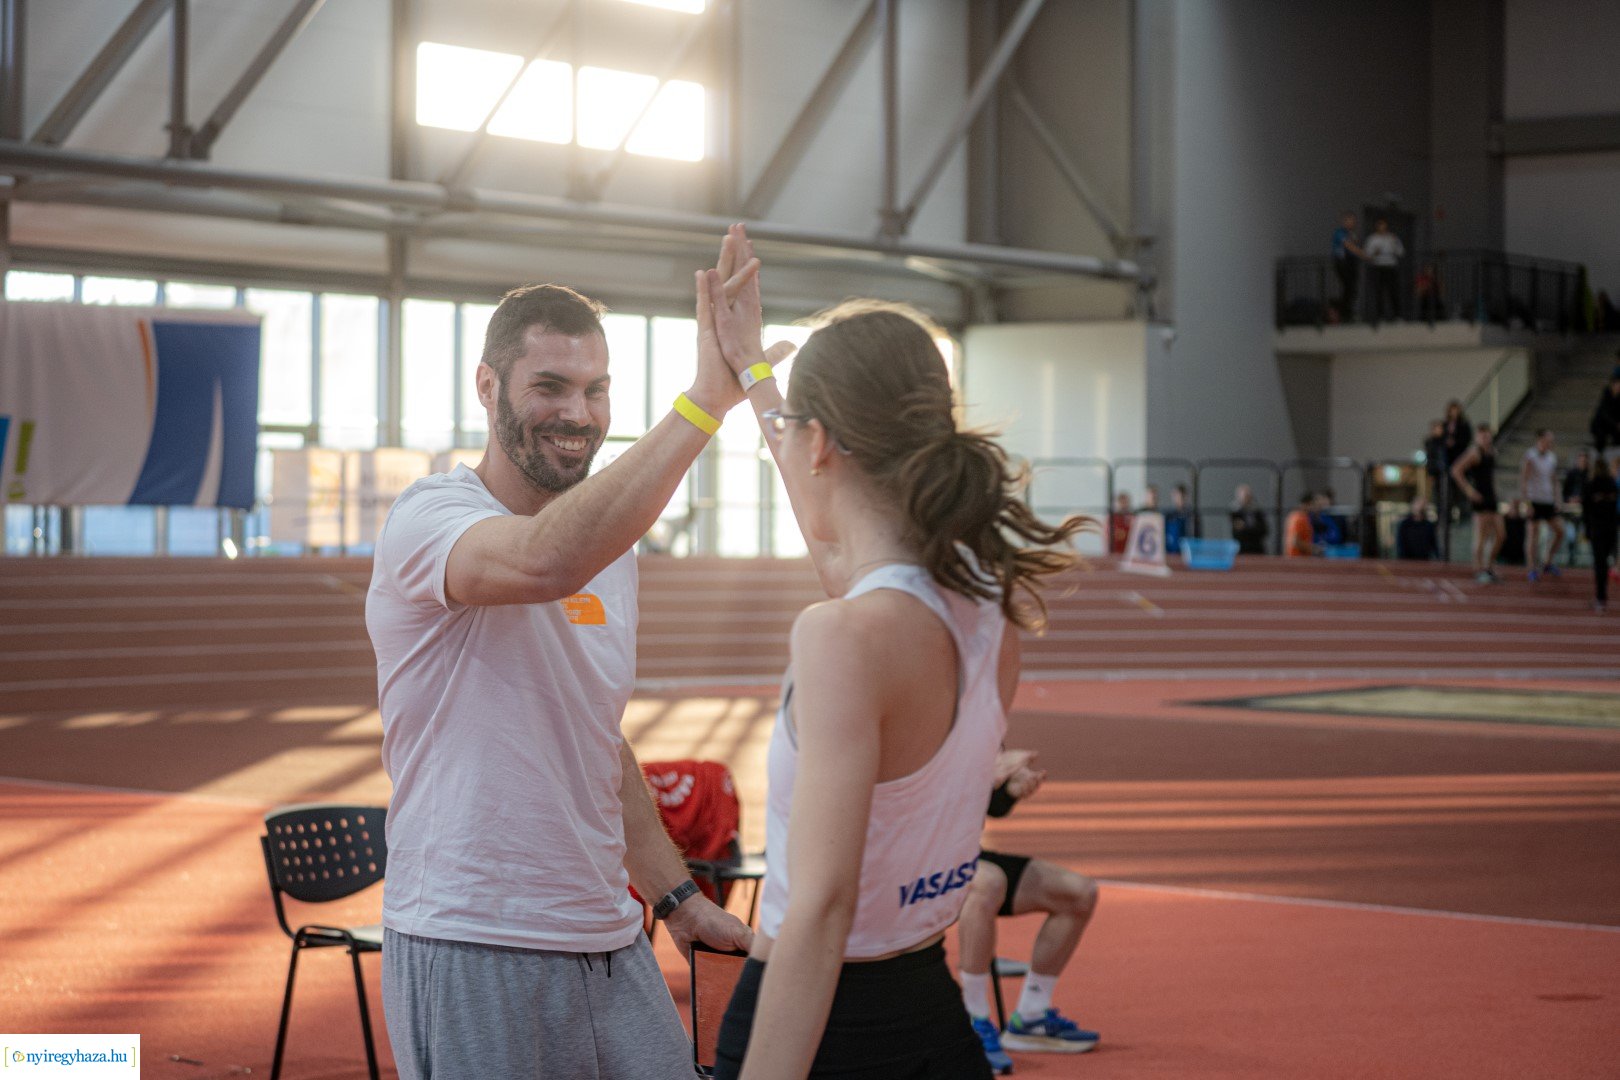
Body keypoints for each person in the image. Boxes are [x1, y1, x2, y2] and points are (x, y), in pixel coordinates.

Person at [703, 225, 1090, 1080]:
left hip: (814, 1024)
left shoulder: (841, 635)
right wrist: (760, 380)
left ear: (821, 443)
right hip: (929, 1016)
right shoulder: (993, 616)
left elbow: (822, 907)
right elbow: (838, 534)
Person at [366, 253, 761, 1080]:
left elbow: (593, 734)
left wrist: (677, 898)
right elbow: (544, 561)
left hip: (606, 933)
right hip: (472, 931)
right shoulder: (431, 516)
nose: (577, 414)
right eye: (549, 386)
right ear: (487, 386)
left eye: (596, 390)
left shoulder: (610, 547)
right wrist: (705, 403)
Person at [960, 750, 1100, 1075]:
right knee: (986, 883)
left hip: (968, 853)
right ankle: (972, 1021)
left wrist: (1008, 790)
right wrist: (986, 780)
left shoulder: (983, 717)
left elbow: (991, 807)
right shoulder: (921, 718)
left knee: (1077, 893)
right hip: (919, 861)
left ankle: (1031, 1017)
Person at [1451, 425, 1503, 583]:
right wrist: (1469, 491)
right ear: (1477, 438)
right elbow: (1455, 470)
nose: (1485, 439)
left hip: (1491, 497)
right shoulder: (1474, 452)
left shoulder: (1492, 452)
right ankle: (1479, 569)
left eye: (1487, 436)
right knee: (1481, 535)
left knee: (1500, 535)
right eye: (1482, 436)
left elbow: (1491, 476)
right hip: (1479, 497)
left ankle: (1489, 566)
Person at [1520, 429, 1563, 581]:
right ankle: (1532, 568)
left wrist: (1558, 499)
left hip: (1548, 500)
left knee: (1560, 531)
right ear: (1541, 439)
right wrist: (1527, 503)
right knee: (1533, 534)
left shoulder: (1552, 457)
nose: (1551, 442)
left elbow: (1554, 479)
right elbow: (1524, 480)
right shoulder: (1530, 456)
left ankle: (1547, 561)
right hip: (1534, 500)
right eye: (1549, 439)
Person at [1585, 457, 1618, 613]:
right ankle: (1601, 597)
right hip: (1611, 529)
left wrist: (1587, 531)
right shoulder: (1613, 484)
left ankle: (1600, 598)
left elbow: (1586, 510)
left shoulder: (1591, 485)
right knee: (1607, 563)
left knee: (1600, 565)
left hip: (1598, 529)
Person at [1364, 219, 1405, 324]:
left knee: (1393, 291)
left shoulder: (1392, 238)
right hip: (1378, 267)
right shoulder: (1372, 239)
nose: (1382, 228)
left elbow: (1401, 252)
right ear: (1377, 227)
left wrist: (1394, 247)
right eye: (1380, 225)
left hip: (1391, 266)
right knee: (1379, 291)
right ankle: (1380, 316)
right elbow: (1367, 254)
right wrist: (1375, 252)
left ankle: (1397, 316)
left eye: (1384, 225)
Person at [1330, 212, 1365, 322]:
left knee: (1353, 288)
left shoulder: (1352, 234)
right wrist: (1364, 255)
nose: (1352, 223)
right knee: (1348, 286)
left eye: (1353, 221)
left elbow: (1354, 246)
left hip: (1351, 263)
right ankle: (1343, 312)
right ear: (1344, 221)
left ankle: (1347, 311)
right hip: (1342, 262)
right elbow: (1349, 246)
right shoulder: (1339, 233)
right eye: (1349, 221)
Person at [1592, 364, 1620, 467]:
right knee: (1601, 438)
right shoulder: (1606, 395)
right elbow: (1605, 413)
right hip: (1601, 424)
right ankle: (1598, 458)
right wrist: (1615, 424)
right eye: (1617, 385)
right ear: (1613, 385)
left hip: (1612, 424)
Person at [1231, 484, 1269, 555]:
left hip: (1257, 548)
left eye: (1248, 496)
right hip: (1243, 549)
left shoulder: (1258, 512)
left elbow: (1264, 531)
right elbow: (1236, 534)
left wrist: (1245, 528)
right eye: (1244, 497)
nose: (1246, 499)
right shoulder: (1235, 514)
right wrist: (1253, 529)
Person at [1284, 493, 1316, 557]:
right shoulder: (1300, 519)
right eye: (1313, 504)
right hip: (1298, 557)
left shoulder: (1293, 516)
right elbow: (1295, 541)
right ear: (1307, 504)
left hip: (1293, 557)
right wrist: (1313, 549)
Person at [1164, 484, 1191, 552]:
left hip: (1186, 552)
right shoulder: (1168, 515)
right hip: (1170, 552)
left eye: (1182, 496)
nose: (1180, 498)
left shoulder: (1191, 515)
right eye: (1177, 496)